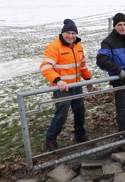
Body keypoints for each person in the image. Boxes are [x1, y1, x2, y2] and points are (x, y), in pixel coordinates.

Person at [40, 19, 93, 151]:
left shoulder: (78, 46)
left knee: (80, 110)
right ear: (63, 33)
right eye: (68, 33)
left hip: (76, 86)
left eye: (73, 33)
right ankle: (50, 139)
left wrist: (88, 79)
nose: (70, 36)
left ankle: (80, 134)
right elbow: (45, 67)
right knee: (61, 114)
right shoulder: (53, 47)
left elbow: (82, 65)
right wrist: (58, 80)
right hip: (62, 88)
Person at [97, 13, 125, 138]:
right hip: (119, 79)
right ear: (115, 26)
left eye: (124, 24)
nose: (122, 27)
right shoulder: (108, 42)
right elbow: (101, 59)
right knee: (121, 107)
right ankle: (122, 131)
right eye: (119, 25)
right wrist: (117, 70)